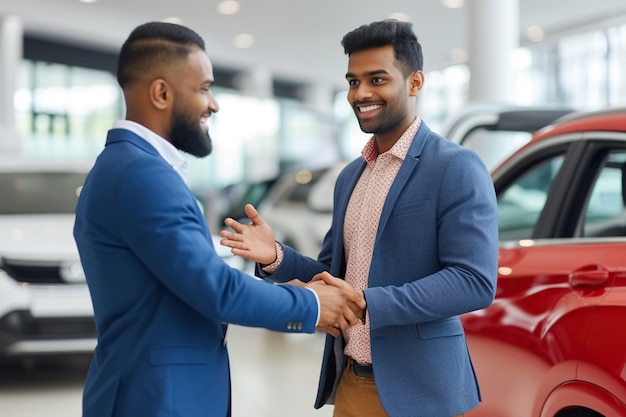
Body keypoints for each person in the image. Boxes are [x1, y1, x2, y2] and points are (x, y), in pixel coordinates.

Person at [73, 21, 365, 417]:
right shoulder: (142, 175)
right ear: (161, 93)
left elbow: (186, 282)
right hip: (158, 397)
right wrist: (312, 304)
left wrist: (285, 279)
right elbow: (215, 289)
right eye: (204, 88)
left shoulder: (128, 166)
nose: (214, 104)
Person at [220, 19, 498, 417]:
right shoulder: (351, 176)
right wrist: (276, 257)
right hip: (351, 379)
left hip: (421, 393)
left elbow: (474, 281)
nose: (361, 93)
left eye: (377, 79)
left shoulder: (456, 167)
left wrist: (369, 303)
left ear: (415, 82)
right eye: (353, 81)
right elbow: (334, 273)